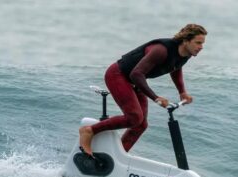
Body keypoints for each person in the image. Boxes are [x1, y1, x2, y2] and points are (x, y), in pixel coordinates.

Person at [79, 24, 207, 157]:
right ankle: (89, 131)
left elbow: (175, 67)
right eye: (198, 43)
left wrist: (182, 91)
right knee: (134, 117)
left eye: (202, 43)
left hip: (135, 82)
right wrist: (156, 98)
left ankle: (116, 156)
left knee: (141, 125)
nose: (201, 47)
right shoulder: (161, 50)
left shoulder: (186, 54)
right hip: (118, 75)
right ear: (185, 40)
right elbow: (136, 74)